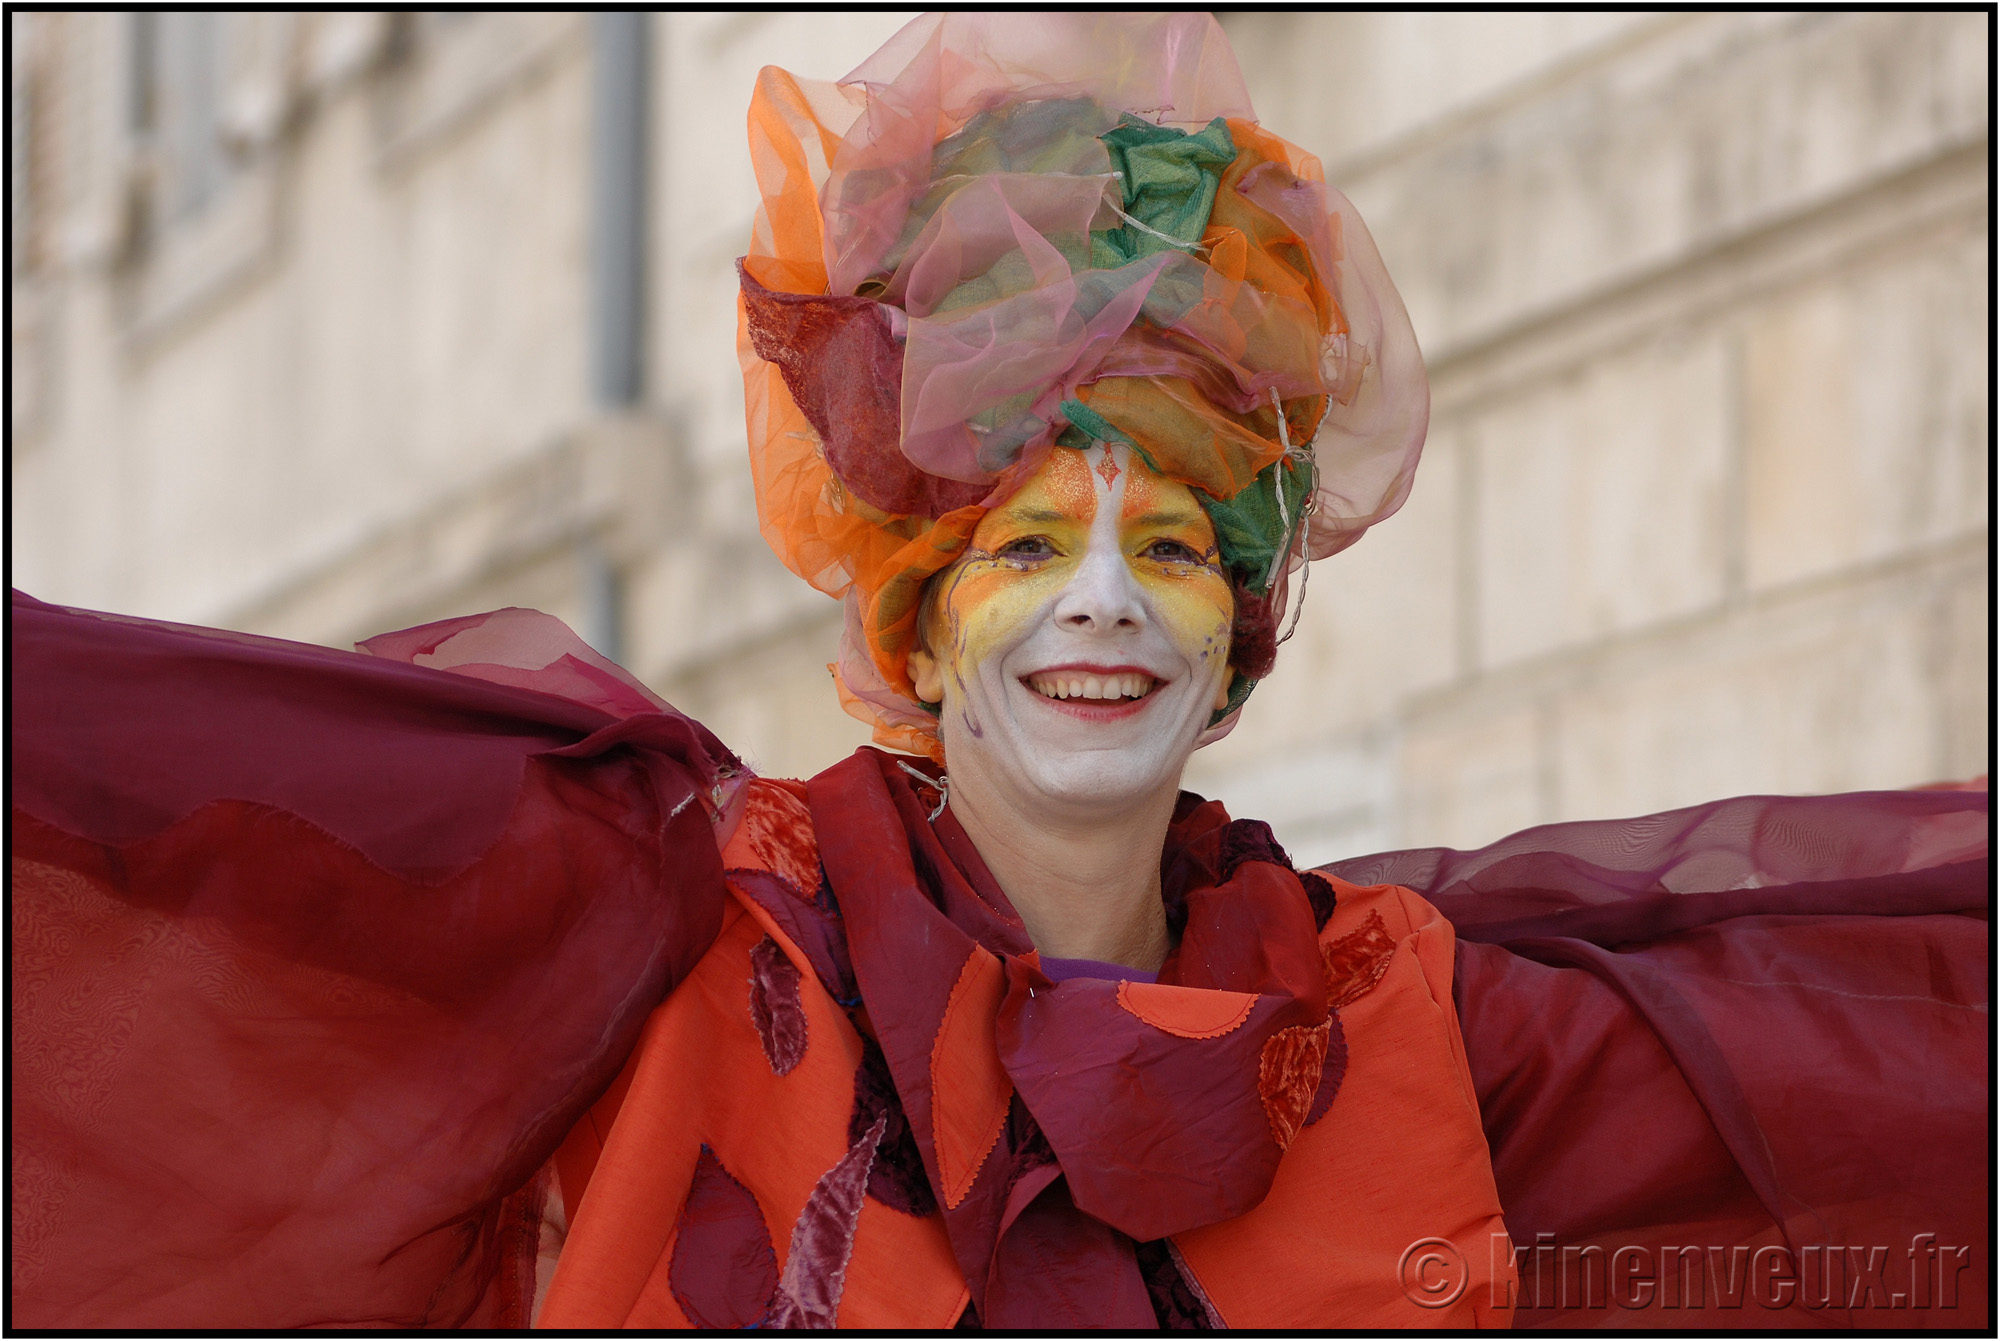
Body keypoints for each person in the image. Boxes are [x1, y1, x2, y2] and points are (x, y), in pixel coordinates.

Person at [10, 13, 1987, 1331]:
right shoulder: (665, 954)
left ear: (1240, 633)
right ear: (913, 619)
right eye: (1029, 547)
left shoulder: (1399, 1037)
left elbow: (1874, 1087)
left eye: (1171, 551)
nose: (1104, 606)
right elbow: (182, 817)